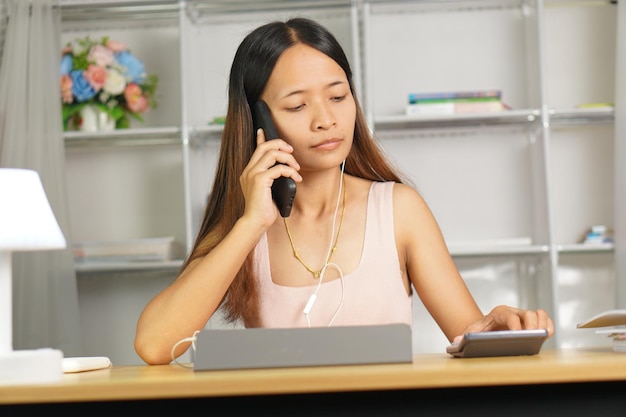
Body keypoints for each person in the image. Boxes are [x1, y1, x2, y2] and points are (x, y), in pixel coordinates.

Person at [134, 17, 554, 365]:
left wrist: (493, 328)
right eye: (297, 106)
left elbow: (469, 335)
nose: (326, 120)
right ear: (258, 120)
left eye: (338, 96)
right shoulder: (242, 224)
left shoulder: (399, 209)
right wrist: (252, 222)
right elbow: (154, 345)